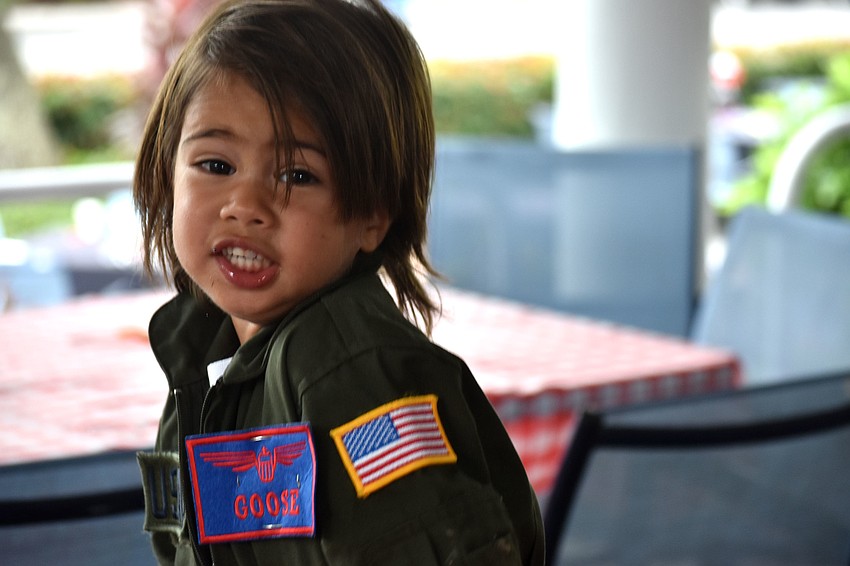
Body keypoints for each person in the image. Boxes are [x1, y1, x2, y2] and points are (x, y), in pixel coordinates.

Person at [133, 0, 545, 564]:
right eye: (216, 165)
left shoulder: (355, 375)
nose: (245, 206)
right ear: (166, 170)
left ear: (372, 215)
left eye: (298, 175)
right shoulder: (203, 358)